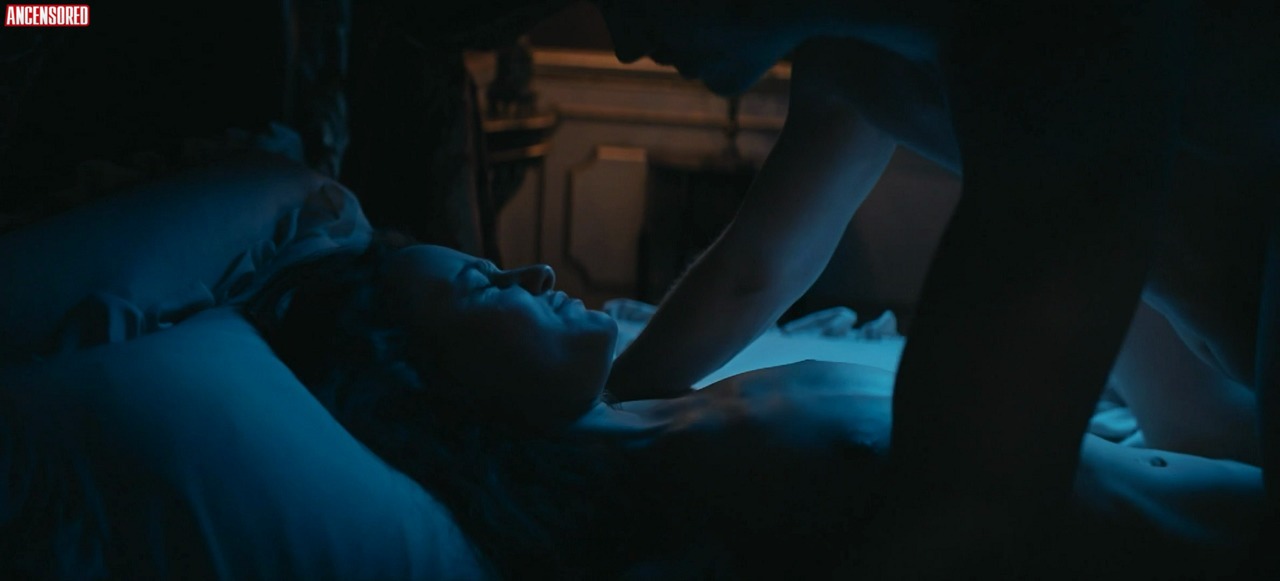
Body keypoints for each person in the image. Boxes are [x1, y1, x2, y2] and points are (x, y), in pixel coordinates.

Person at [585, 1, 1280, 574]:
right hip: (1209, 399)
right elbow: (754, 271)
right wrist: (594, 410)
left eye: (627, 3)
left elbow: (975, 500)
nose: (624, 43)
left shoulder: (1067, 37)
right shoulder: (849, 56)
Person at [247, 234, 1265, 579]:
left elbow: (749, 274)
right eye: (485, 285)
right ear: (436, 393)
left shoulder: (661, 412)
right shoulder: (645, 520)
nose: (538, 269)